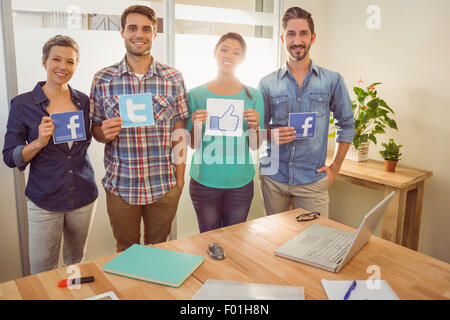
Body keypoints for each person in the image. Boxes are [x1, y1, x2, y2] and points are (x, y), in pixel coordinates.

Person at [90, 5, 188, 252]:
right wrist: (104, 132)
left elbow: (179, 133)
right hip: (121, 186)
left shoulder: (173, 78)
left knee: (159, 250)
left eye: (146, 29)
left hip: (163, 185)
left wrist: (179, 179)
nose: (139, 34)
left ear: (154, 34)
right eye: (132, 28)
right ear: (122, 32)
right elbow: (96, 131)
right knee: (126, 250)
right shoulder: (103, 79)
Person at [2, 35, 98, 274]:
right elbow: (9, 157)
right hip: (44, 200)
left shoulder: (84, 102)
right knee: (43, 270)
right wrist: (38, 142)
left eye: (70, 62)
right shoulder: (22, 104)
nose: (63, 67)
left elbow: (84, 143)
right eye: (56, 59)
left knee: (75, 263)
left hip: (83, 196)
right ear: (44, 61)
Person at [258, 7, 355, 218]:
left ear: (313, 37)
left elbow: (346, 124)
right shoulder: (266, 83)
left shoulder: (333, 80)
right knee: (272, 245)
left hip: (312, 181)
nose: (297, 40)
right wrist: (269, 135)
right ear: (283, 38)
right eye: (291, 34)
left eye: (303, 33)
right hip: (273, 177)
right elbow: (254, 131)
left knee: (316, 244)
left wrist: (335, 167)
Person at [187, 32, 264, 232]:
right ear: (214, 53)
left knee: (235, 242)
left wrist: (255, 127)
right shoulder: (196, 94)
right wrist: (196, 124)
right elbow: (192, 144)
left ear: (243, 59)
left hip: (240, 183)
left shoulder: (253, 95)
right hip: (204, 182)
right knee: (208, 240)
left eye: (236, 52)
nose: (229, 56)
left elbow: (255, 145)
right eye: (224, 50)